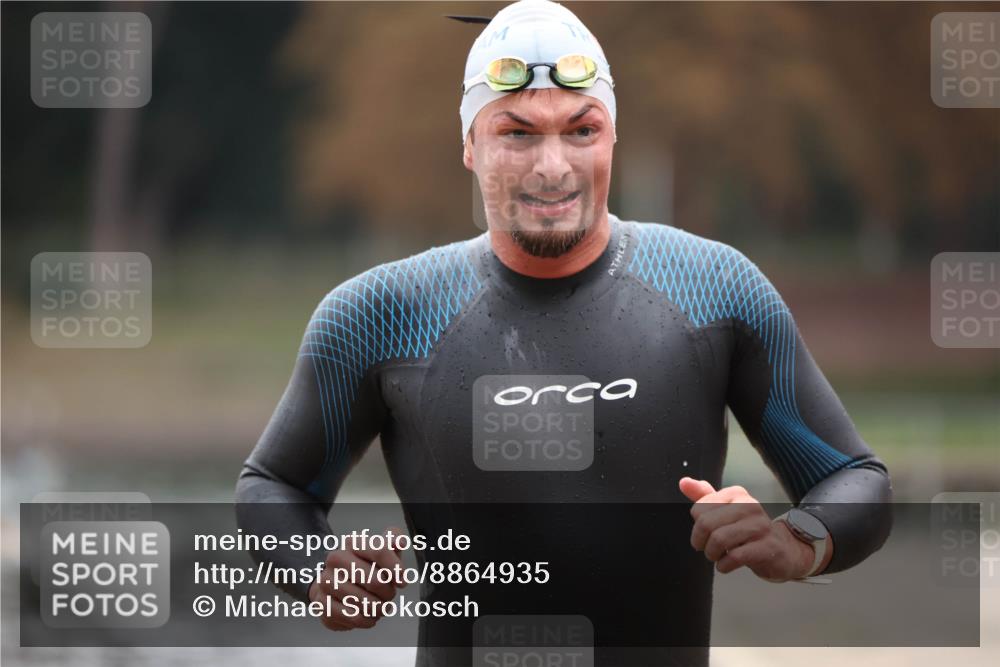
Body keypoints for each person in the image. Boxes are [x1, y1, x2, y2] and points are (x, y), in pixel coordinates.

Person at [236, 1, 892, 664]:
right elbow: (271, 484)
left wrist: (797, 541)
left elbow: (855, 477)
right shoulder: (379, 314)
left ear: (612, 135)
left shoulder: (715, 290)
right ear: (469, 143)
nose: (552, 166)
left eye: (580, 130)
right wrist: (318, 568)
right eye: (517, 133)